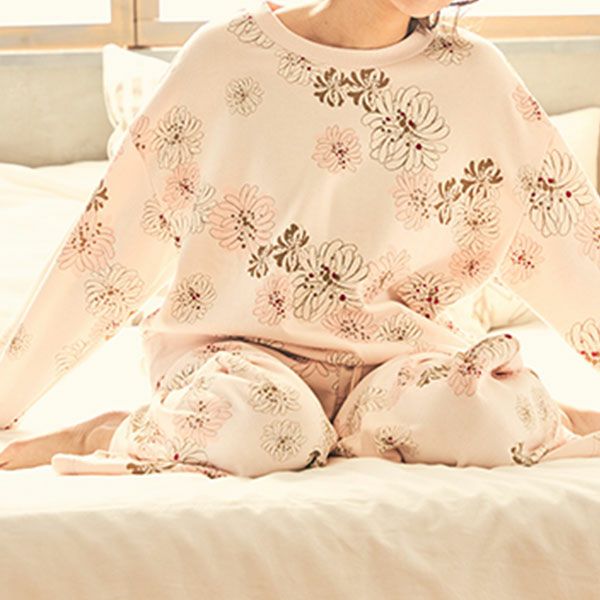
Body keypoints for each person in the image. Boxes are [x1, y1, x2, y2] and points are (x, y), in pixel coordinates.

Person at [1, 0, 599, 474]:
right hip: (236, 360)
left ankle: (546, 416)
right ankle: (105, 432)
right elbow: (110, 243)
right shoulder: (226, 56)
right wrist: (8, 395)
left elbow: (565, 233)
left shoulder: (475, 77)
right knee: (262, 431)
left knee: (481, 417)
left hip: (398, 364)